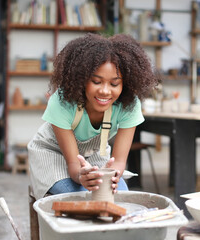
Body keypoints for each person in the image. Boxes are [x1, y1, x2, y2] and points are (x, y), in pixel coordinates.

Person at [28, 33, 160, 200]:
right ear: (81, 79)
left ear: (125, 83)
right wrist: (81, 176)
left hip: (94, 155)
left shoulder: (129, 105)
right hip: (52, 153)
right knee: (80, 196)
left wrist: (114, 175)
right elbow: (74, 165)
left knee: (121, 196)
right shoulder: (62, 102)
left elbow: (119, 162)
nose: (105, 91)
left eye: (114, 84)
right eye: (96, 82)